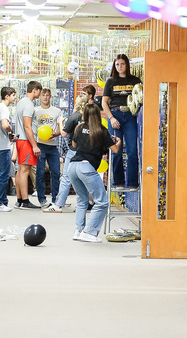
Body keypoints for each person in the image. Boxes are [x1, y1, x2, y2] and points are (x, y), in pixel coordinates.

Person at [67, 103, 121, 242]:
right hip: (86, 167)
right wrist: (118, 142)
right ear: (98, 115)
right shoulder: (101, 131)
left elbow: (74, 145)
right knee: (102, 202)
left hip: (73, 166)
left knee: (81, 200)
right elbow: (114, 150)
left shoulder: (79, 128)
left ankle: (78, 231)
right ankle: (89, 232)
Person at [101, 54, 141, 190]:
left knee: (132, 151)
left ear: (127, 65)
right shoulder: (110, 81)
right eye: (117, 64)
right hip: (115, 115)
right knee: (116, 151)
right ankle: (118, 182)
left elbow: (141, 99)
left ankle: (133, 183)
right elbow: (104, 102)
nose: (120, 67)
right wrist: (111, 118)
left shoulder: (135, 80)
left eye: (122, 64)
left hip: (130, 115)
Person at [47, 93, 87, 213]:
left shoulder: (74, 117)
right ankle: (83, 205)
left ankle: (59, 204)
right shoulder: (88, 117)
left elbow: (64, 133)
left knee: (66, 178)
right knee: (83, 178)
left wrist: (60, 122)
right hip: (85, 151)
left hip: (73, 150)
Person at [33, 88, 63, 209]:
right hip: (40, 145)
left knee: (55, 172)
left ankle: (55, 198)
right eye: (43, 95)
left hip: (53, 146)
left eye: (47, 95)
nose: (45, 97)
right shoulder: (35, 111)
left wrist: (56, 133)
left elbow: (61, 128)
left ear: (51, 97)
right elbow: (31, 127)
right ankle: (41, 199)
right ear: (40, 97)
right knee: (39, 173)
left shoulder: (56, 111)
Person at [15, 80, 42, 210]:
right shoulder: (29, 105)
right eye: (39, 91)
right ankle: (25, 201)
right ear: (35, 90)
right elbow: (27, 126)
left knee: (20, 170)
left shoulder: (20, 102)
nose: (40, 94)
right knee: (25, 171)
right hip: (26, 140)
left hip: (21, 140)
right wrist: (34, 145)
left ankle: (19, 200)